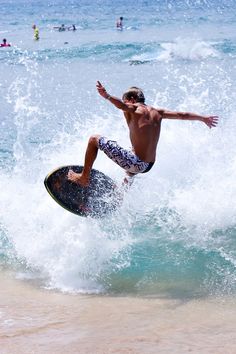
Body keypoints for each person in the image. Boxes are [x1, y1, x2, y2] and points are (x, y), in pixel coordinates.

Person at [67, 81, 218, 187]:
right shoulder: (158, 112)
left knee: (94, 139)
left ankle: (84, 178)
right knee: (131, 158)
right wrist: (203, 118)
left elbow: (121, 105)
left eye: (127, 101)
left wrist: (107, 96)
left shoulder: (134, 109)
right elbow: (182, 114)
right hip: (148, 165)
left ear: (132, 100)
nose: (127, 107)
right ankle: (121, 196)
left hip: (137, 164)